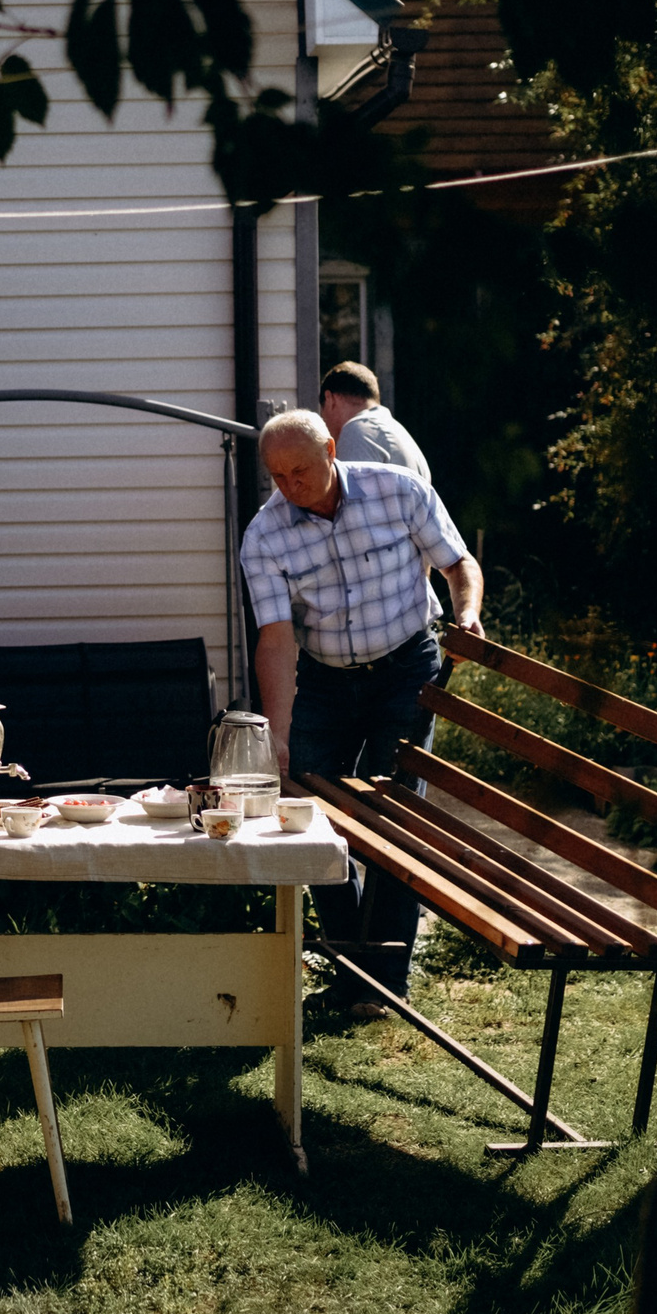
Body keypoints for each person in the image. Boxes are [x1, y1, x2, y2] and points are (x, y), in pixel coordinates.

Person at [240, 408, 483, 1010]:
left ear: (329, 449)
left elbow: (458, 564)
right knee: (310, 814)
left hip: (406, 666)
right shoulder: (265, 535)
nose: (291, 487)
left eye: (300, 471)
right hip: (325, 678)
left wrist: (467, 614)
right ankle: (353, 969)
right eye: (278, 477)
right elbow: (273, 639)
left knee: (395, 813)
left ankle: (385, 982)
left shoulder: (397, 490)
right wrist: (279, 728)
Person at [318, 361, 430, 484]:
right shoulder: (402, 435)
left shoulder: (356, 431)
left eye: (322, 413)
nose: (325, 425)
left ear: (330, 399)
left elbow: (351, 500)